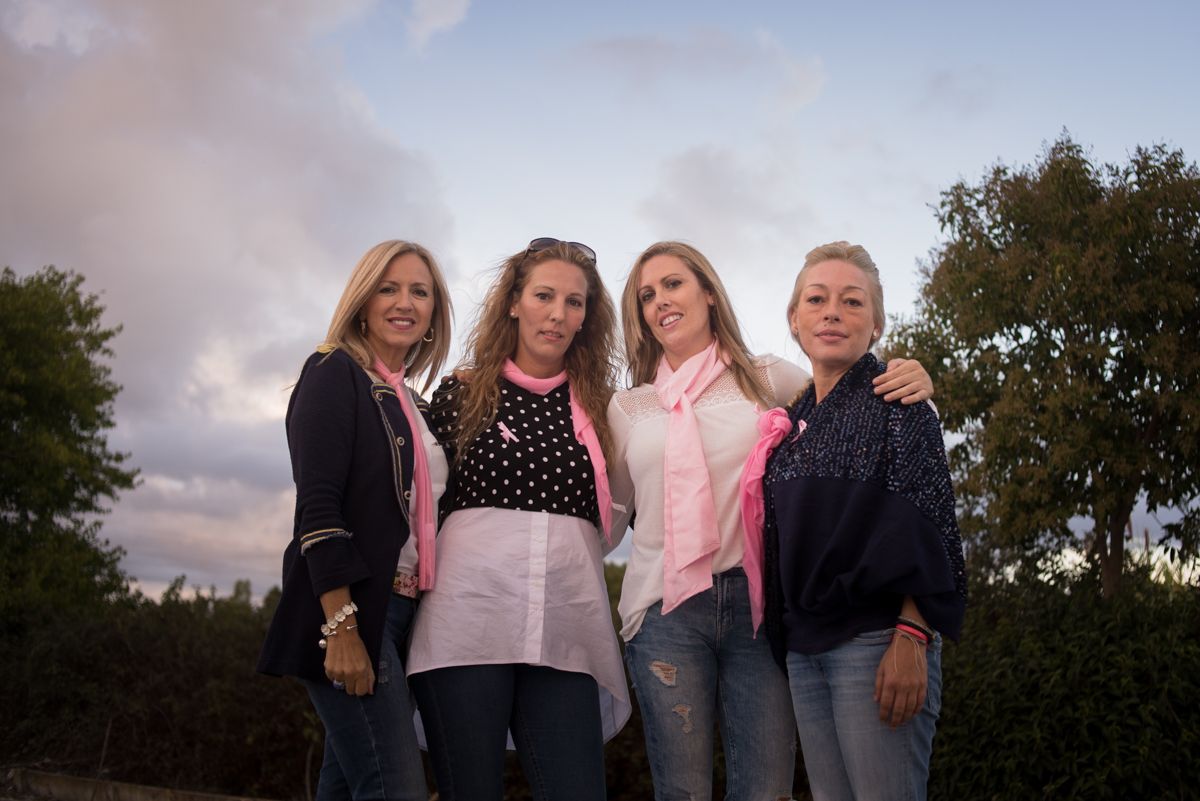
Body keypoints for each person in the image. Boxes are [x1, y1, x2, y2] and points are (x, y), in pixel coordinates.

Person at [606, 241, 934, 801]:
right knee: (681, 791)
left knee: (766, 792)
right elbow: (606, 517)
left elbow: (850, 402)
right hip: (664, 611)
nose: (661, 300)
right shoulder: (628, 407)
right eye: (646, 294)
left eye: (674, 284)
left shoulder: (767, 378)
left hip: (758, 611)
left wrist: (915, 382)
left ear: (708, 292)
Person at [407, 238, 631, 801]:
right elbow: (414, 499)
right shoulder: (460, 395)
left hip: (566, 632)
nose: (558, 314)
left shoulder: (606, 411)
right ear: (513, 302)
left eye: (574, 302)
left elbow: (635, 499)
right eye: (544, 296)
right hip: (466, 627)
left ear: (587, 317)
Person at [759, 241, 967, 801]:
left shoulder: (898, 402)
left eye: (852, 302)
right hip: (806, 650)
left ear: (875, 325)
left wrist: (912, 632)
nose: (832, 312)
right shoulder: (794, 420)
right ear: (795, 320)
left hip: (877, 642)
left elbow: (932, 523)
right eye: (817, 299)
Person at [257, 240, 453, 801]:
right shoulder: (331, 372)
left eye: (420, 291)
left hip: (407, 613)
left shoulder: (411, 403)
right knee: (396, 790)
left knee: (345, 787)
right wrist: (341, 628)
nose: (405, 302)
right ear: (362, 302)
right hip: (356, 611)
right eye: (388, 288)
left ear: (434, 313)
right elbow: (318, 508)